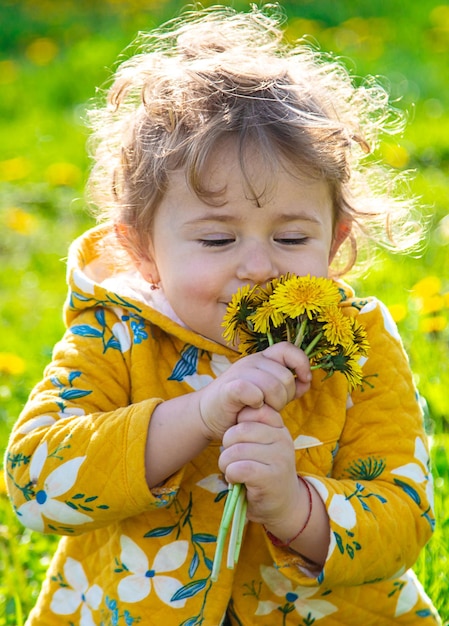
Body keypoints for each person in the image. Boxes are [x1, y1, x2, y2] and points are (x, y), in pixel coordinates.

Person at [5, 5, 441, 624]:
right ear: (141, 249)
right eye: (216, 240)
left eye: (291, 239)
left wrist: (295, 507)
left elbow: (406, 517)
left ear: (337, 241)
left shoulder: (357, 344)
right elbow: (33, 486)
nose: (259, 267)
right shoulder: (115, 332)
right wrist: (198, 415)